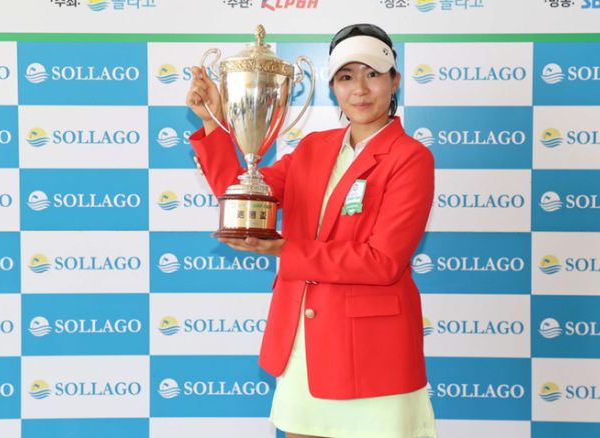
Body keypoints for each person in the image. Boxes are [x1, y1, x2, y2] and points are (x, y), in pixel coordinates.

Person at [186, 23, 437, 438]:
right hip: (302, 342)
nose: (360, 89)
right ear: (333, 87)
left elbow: (383, 262)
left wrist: (284, 250)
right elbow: (243, 196)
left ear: (395, 81)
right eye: (346, 77)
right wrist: (213, 120)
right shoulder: (312, 148)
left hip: (375, 350)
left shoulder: (410, 158)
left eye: (373, 74)